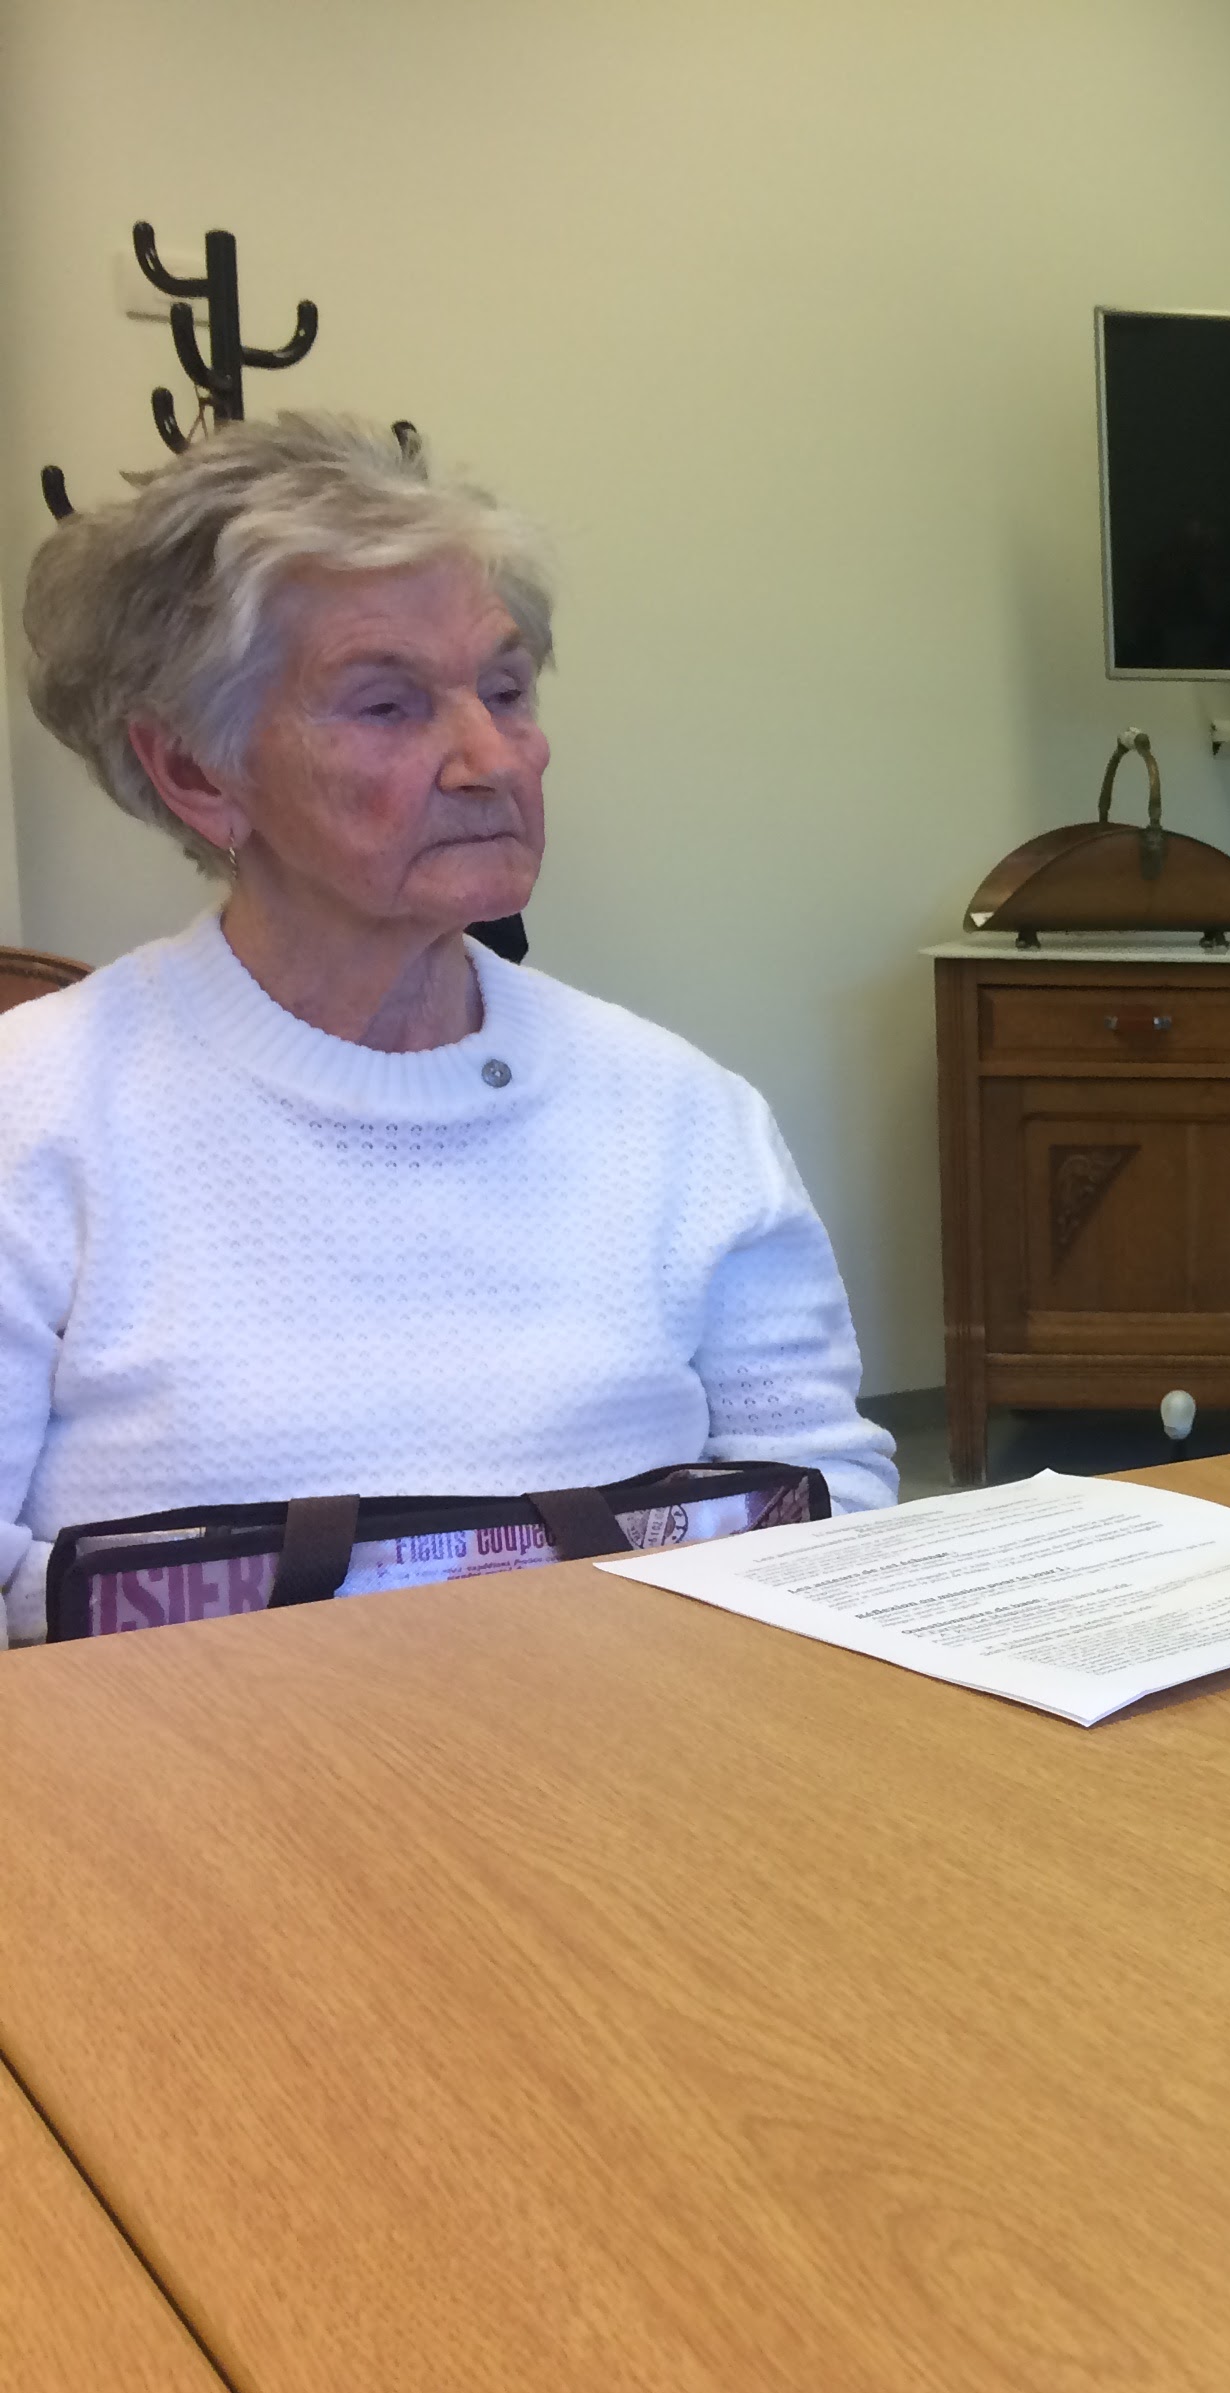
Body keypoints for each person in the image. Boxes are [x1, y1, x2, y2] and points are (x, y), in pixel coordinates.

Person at [1, 413, 895, 1642]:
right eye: (389, 706)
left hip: (638, 1735)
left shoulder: (680, 1111)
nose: (491, 757)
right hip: (181, 1757)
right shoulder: (36, 1112)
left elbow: (828, 1503)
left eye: (506, 691)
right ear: (197, 773)